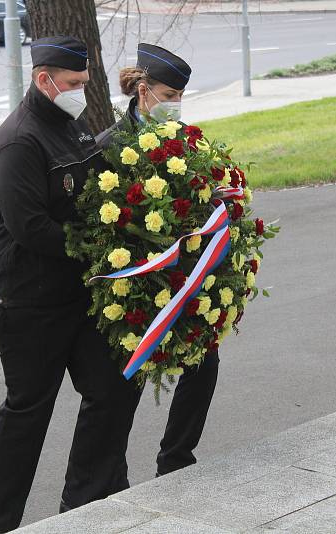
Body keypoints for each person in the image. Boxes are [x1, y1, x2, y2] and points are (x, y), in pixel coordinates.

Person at [0, 36, 140, 534]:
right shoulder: (19, 141)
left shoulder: (69, 124)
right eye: (72, 84)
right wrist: (101, 247)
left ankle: (84, 505)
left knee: (114, 388)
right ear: (43, 79)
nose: (80, 93)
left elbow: (95, 180)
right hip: (25, 302)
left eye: (84, 84)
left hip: (73, 293)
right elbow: (31, 228)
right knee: (29, 411)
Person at [96, 43, 221, 478]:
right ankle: (112, 474)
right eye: (168, 96)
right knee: (124, 383)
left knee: (204, 363)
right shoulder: (109, 147)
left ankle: (176, 458)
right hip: (134, 281)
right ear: (143, 90)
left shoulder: (184, 140)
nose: (175, 106)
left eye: (179, 98)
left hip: (182, 278)